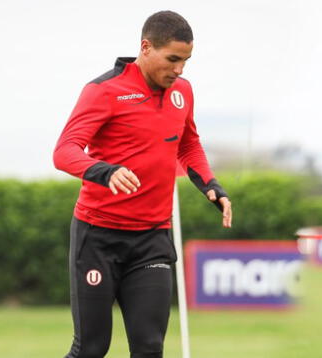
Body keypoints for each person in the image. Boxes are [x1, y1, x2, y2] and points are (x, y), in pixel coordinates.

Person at [53, 11, 232, 358]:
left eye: (186, 61)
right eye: (173, 59)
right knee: (91, 348)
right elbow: (64, 151)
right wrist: (103, 171)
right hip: (98, 238)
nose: (180, 69)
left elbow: (188, 145)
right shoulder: (103, 91)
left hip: (152, 239)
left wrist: (211, 185)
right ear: (146, 47)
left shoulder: (183, 92)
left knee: (150, 348)